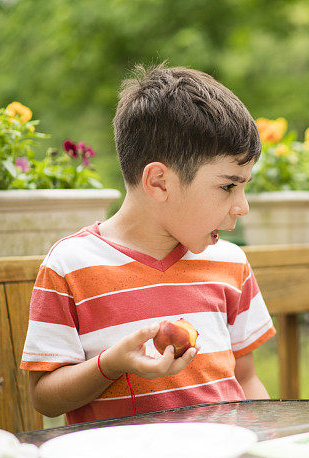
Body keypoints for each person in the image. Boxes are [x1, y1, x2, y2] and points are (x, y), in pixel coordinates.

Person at [20, 65, 275, 424]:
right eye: (228, 186)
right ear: (159, 182)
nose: (242, 206)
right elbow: (45, 398)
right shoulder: (70, 266)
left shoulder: (230, 263)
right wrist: (109, 366)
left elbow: (246, 378)